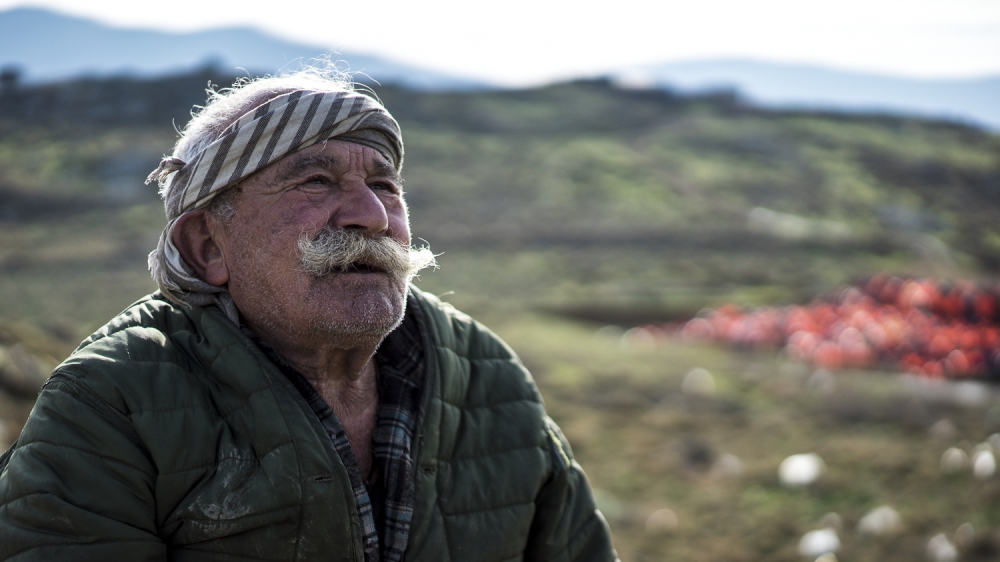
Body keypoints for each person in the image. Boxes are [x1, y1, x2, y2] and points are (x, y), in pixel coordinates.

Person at [0, 70, 618, 562]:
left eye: (386, 185)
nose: (370, 216)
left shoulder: (487, 376)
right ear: (208, 247)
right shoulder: (113, 401)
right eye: (315, 181)